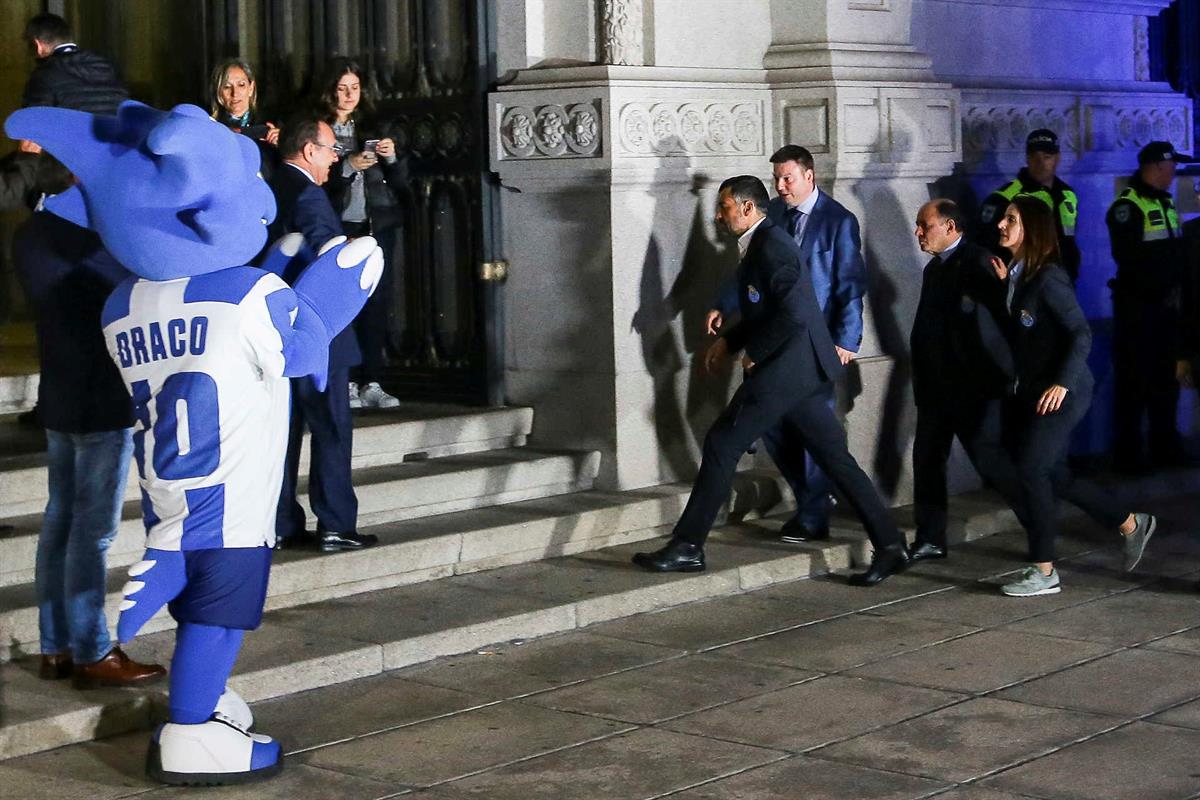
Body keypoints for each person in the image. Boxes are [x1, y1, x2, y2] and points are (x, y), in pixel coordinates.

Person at [7, 98, 381, 785]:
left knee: (194, 599)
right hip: (233, 500)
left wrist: (269, 272)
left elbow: (206, 329)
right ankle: (191, 726)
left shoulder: (123, 304)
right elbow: (301, 348)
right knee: (220, 614)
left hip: (170, 493)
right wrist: (338, 287)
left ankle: (204, 699)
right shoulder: (246, 294)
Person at [634, 176, 910, 587]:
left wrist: (756, 352)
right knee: (835, 459)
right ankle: (890, 545)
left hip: (786, 370)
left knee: (722, 442)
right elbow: (768, 310)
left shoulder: (772, 246)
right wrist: (731, 341)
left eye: (724, 207)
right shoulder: (761, 243)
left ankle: (688, 546)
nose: (718, 216)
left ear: (747, 208)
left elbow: (794, 314)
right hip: (800, 371)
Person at [17, 155, 165, 689]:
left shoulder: (30, 233)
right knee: (92, 531)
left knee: (60, 521)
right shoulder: (89, 239)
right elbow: (135, 287)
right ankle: (92, 649)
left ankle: (55, 645)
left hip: (59, 393)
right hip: (99, 397)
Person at [990, 197, 1156, 597]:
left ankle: (1044, 571)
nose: (1000, 224)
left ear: (1032, 228)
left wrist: (1062, 383)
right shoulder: (1019, 274)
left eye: (1011, 219)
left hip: (1065, 390)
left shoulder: (1049, 277)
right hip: (1038, 389)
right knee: (1056, 473)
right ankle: (1131, 523)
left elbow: (1080, 333)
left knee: (1032, 469)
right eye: (1004, 217)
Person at [706, 145, 867, 544]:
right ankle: (812, 500)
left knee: (816, 436)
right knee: (775, 428)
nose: (780, 186)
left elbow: (849, 284)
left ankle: (816, 514)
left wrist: (846, 339)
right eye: (776, 178)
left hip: (814, 347)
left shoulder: (838, 221)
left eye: (787, 178)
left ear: (809, 176)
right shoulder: (772, 215)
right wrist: (724, 305)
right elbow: (748, 271)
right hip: (775, 343)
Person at [267, 115, 378, 552]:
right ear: (309, 150)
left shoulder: (268, 186)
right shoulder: (309, 194)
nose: (335, 158)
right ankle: (335, 524)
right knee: (330, 427)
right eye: (331, 149)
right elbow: (328, 255)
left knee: (284, 430)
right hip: (319, 331)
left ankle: (281, 523)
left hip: (274, 329)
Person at [908, 199, 1020, 562]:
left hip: (970, 390)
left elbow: (998, 323)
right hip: (935, 388)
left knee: (991, 463)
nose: (918, 232)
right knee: (927, 460)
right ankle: (930, 537)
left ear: (950, 227)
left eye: (925, 225)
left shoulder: (978, 262)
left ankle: (1040, 525)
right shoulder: (934, 268)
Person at [318, 57, 406, 410]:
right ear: (329, 91)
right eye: (342, 88)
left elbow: (401, 184)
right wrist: (347, 166)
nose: (349, 95)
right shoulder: (319, 129)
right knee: (342, 303)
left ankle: (374, 380)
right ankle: (348, 380)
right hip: (340, 226)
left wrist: (392, 157)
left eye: (354, 88)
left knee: (376, 303)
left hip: (376, 224)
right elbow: (316, 182)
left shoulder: (373, 125)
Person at [1106, 141, 1194, 472]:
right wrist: (1161, 287)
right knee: (1134, 383)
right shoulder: (1127, 206)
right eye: (1171, 166)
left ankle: (1166, 448)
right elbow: (1129, 260)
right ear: (1156, 167)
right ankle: (1128, 456)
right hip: (1138, 310)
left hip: (1166, 310)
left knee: (1166, 382)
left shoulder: (1166, 201)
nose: (1174, 172)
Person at [979, 129, 1081, 282]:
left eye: (1047, 157)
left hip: (1063, 277)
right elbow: (988, 244)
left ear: (1058, 158)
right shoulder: (1006, 196)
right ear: (1027, 159)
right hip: (1024, 280)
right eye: (1034, 157)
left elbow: (1068, 239)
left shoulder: (1067, 194)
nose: (1041, 163)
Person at [21, 12, 128, 115]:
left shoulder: (43, 75)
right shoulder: (108, 65)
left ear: (38, 45)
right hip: (112, 128)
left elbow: (35, 121)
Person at [208, 58, 281, 180]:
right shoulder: (211, 127)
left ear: (251, 88)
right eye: (227, 87)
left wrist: (281, 145)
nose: (235, 93)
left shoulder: (271, 122)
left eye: (241, 85)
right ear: (218, 92)